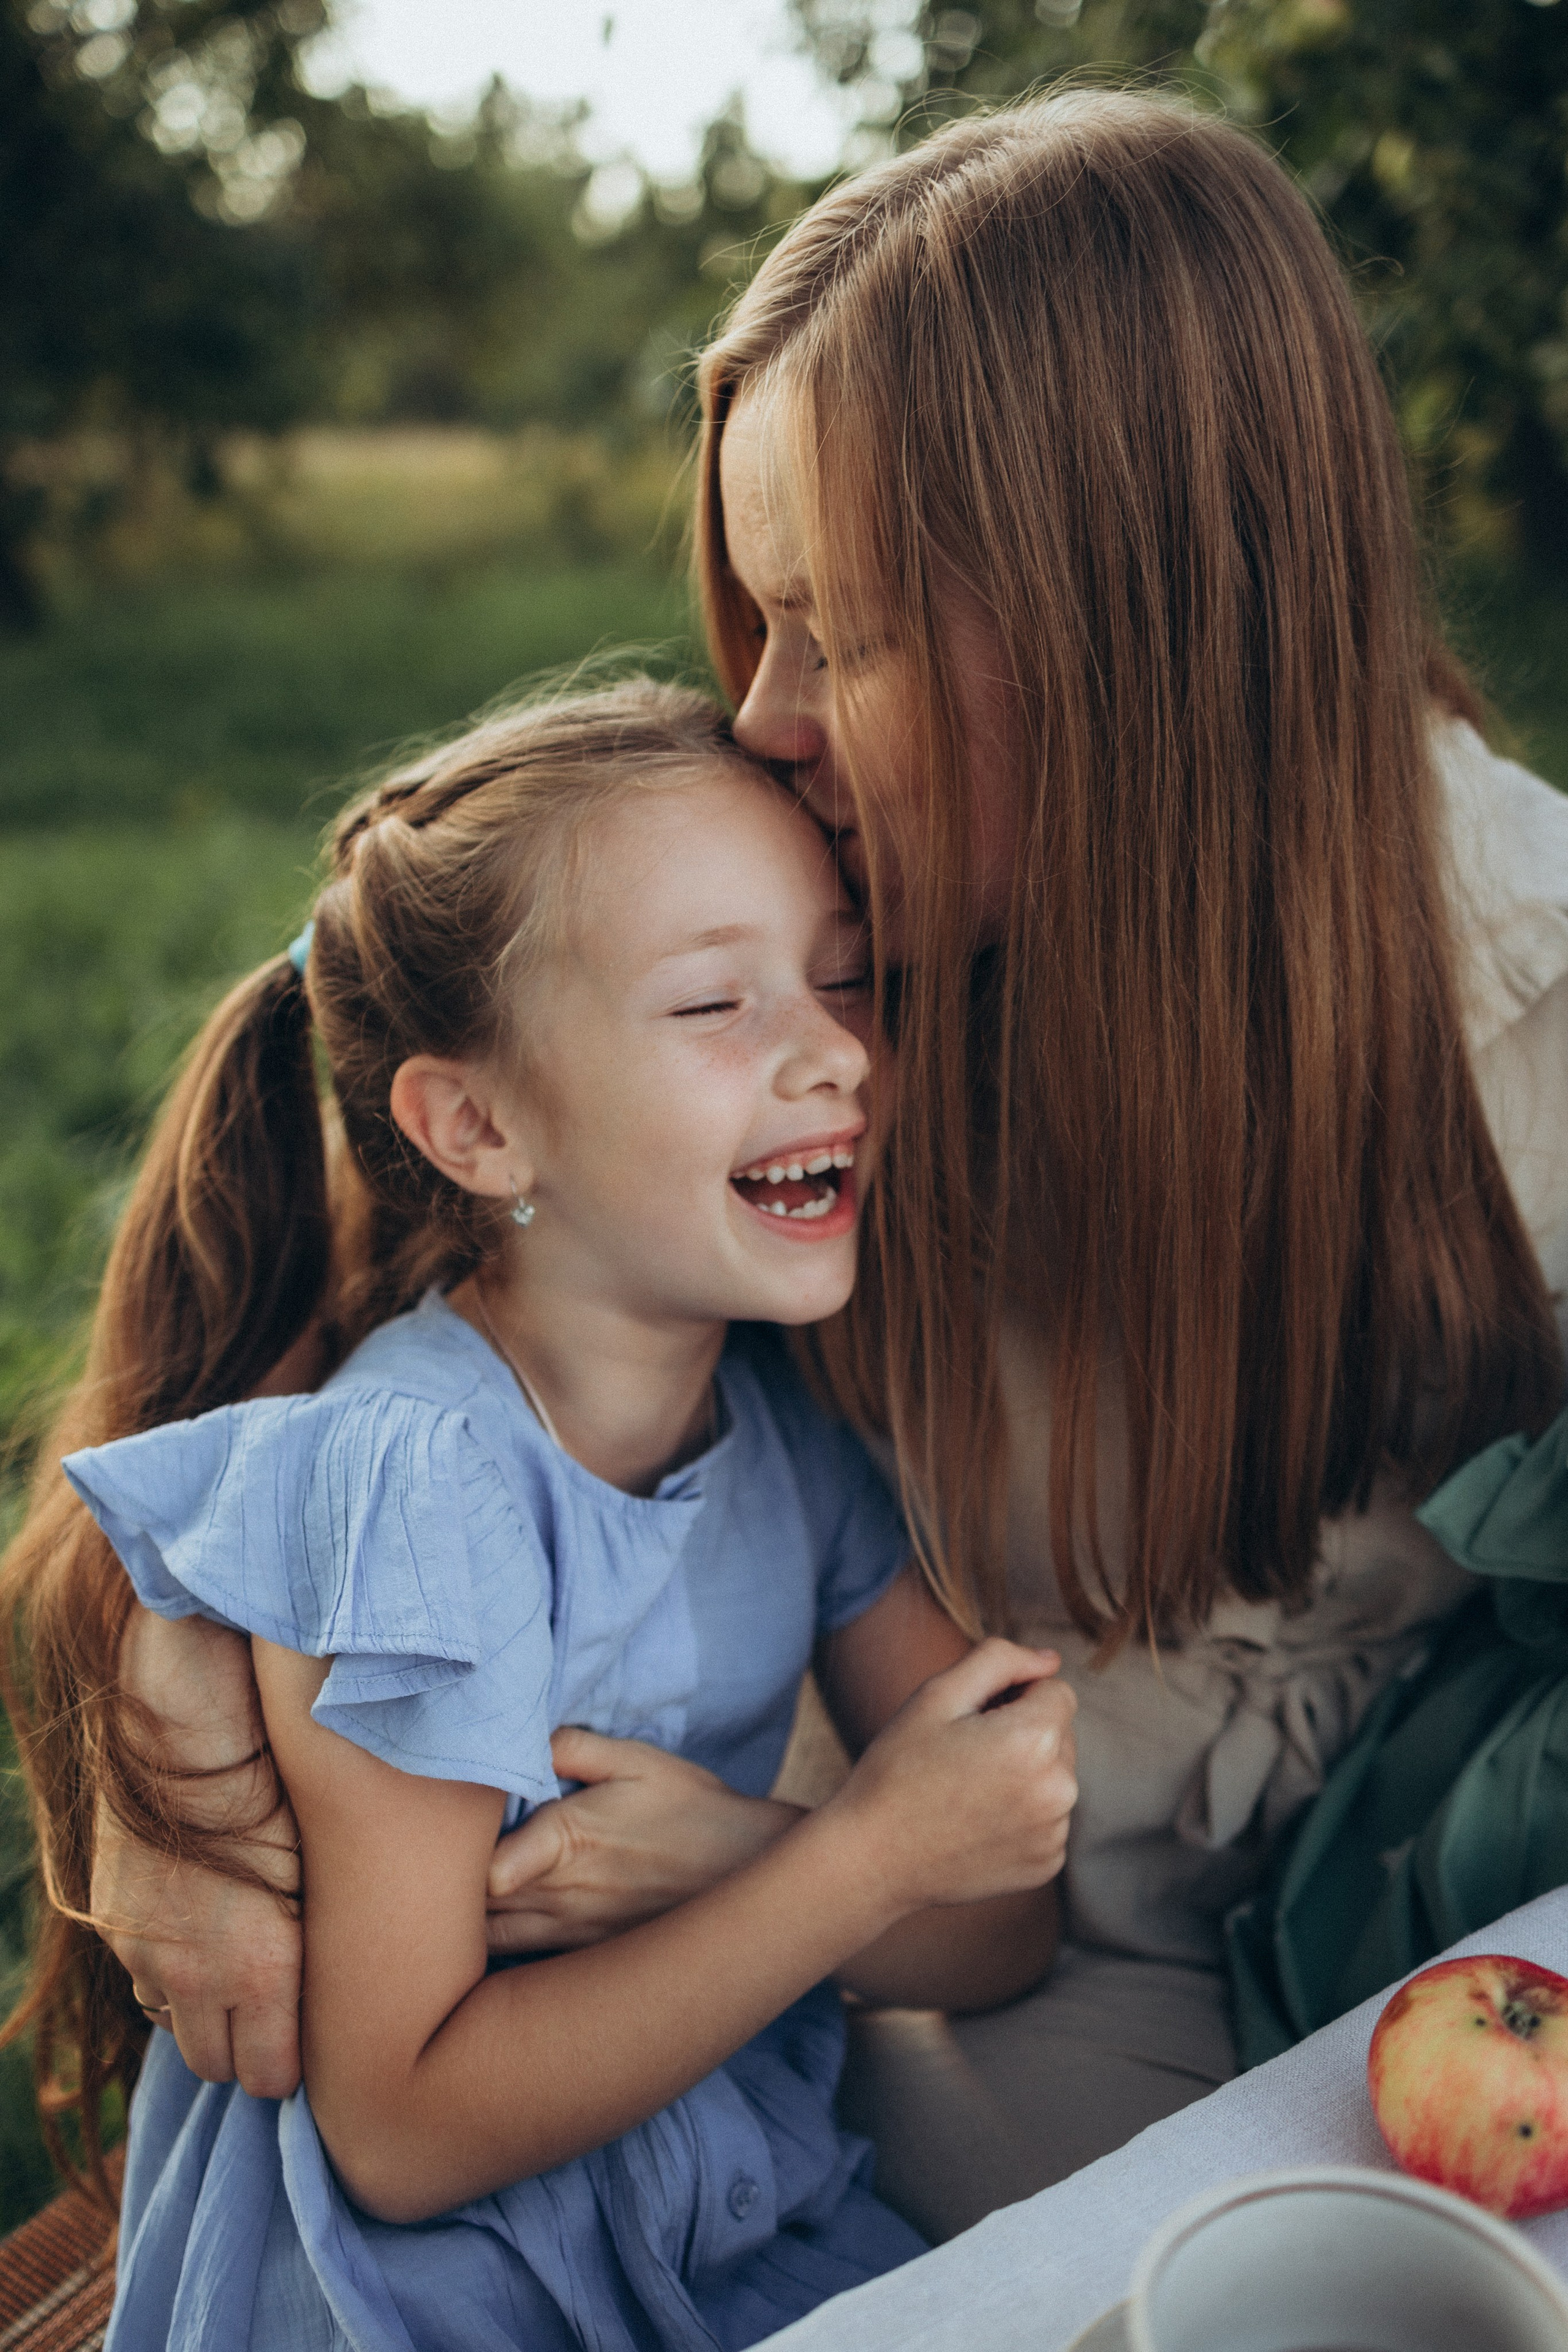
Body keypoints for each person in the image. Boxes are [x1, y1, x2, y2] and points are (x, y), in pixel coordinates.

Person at [10, 85, 1568, 2250]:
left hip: (1292, 1943)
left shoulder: (1535, 1016)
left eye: (846, 631)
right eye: (761, 618)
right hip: (847, 1947)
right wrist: (151, 1689)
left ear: (1130, 627)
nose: (762, 713)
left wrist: (787, 1872)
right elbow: (348, 1162)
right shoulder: (815, 934)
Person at [16, 679, 1079, 2351]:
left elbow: (1001, 1917)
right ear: (481, 1126)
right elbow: (407, 2130)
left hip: (712, 2217)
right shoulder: (415, 1487)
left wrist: (755, 1858)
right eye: (716, 1003)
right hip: (418, 2295)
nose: (835, 1052)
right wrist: (862, 1856)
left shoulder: (791, 1441)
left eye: (842, 975)